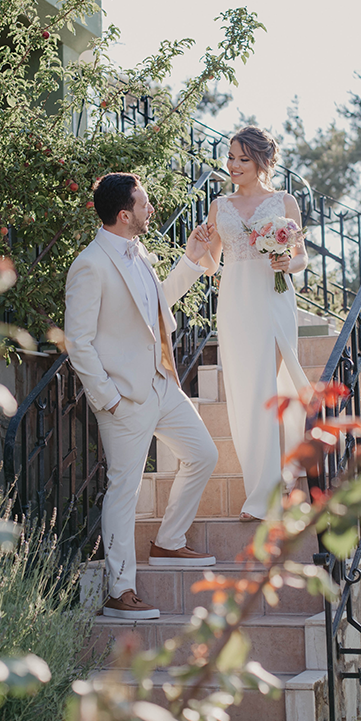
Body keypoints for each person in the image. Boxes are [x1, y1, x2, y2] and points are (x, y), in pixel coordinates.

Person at [63, 172, 221, 620]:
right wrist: (108, 398)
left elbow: (156, 305)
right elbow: (78, 342)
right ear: (123, 214)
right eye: (144, 203)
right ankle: (121, 591)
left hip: (160, 384)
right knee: (124, 492)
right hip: (124, 399)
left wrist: (191, 260)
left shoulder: (138, 252)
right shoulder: (90, 265)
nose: (151, 209)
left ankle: (168, 541)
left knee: (203, 454)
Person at [191, 126, 311, 522]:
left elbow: (301, 258)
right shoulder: (219, 206)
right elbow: (212, 265)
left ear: (262, 161)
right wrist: (199, 247)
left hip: (273, 300)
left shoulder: (284, 201)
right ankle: (271, 482)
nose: (234, 165)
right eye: (231, 157)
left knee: (266, 390)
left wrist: (287, 262)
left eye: (243, 158)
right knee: (245, 396)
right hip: (235, 304)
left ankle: (265, 497)